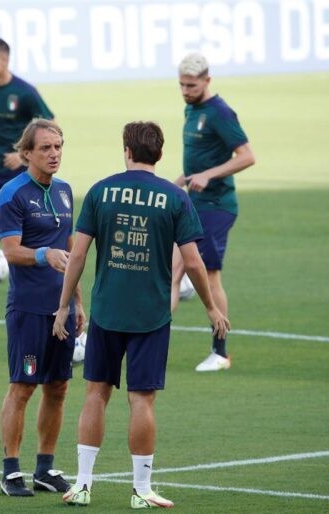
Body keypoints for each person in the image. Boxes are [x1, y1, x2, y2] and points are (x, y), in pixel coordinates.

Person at [53, 122, 230, 508]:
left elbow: (79, 255)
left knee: (96, 395)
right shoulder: (174, 198)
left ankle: (83, 485)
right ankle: (141, 490)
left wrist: (64, 304)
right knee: (142, 401)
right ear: (161, 155)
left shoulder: (101, 191)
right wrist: (211, 307)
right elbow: (195, 263)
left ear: (126, 151)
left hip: (107, 311)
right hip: (151, 316)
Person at [0, 119, 85, 497]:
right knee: (23, 387)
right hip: (29, 310)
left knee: (59, 387)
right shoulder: (12, 195)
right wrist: (44, 254)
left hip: (60, 310)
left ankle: (45, 469)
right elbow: (11, 251)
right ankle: (10, 471)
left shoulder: (64, 192)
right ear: (26, 153)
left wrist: (78, 302)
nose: (54, 154)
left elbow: (71, 252)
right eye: (46, 148)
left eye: (58, 146)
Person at [172, 52, 255, 372]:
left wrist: (209, 175)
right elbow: (198, 156)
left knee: (209, 275)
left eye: (191, 85)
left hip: (217, 207)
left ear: (207, 80)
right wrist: (180, 181)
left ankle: (220, 352)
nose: (185, 91)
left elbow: (247, 156)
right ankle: (150, 341)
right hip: (193, 203)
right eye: (181, 85)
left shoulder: (220, 112)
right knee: (172, 271)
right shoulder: (190, 109)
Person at [0, 37, 55, 240]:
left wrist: (23, 156)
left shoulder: (25, 92)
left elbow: (51, 128)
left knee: (20, 225)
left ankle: (43, 258)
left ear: (4, 60)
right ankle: (35, 251)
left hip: (20, 170)